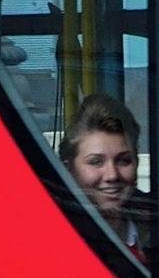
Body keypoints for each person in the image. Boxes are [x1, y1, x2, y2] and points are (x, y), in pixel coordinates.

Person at [59, 90, 150, 267]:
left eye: (123, 161)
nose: (112, 175)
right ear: (69, 169)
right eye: (96, 162)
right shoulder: (54, 239)